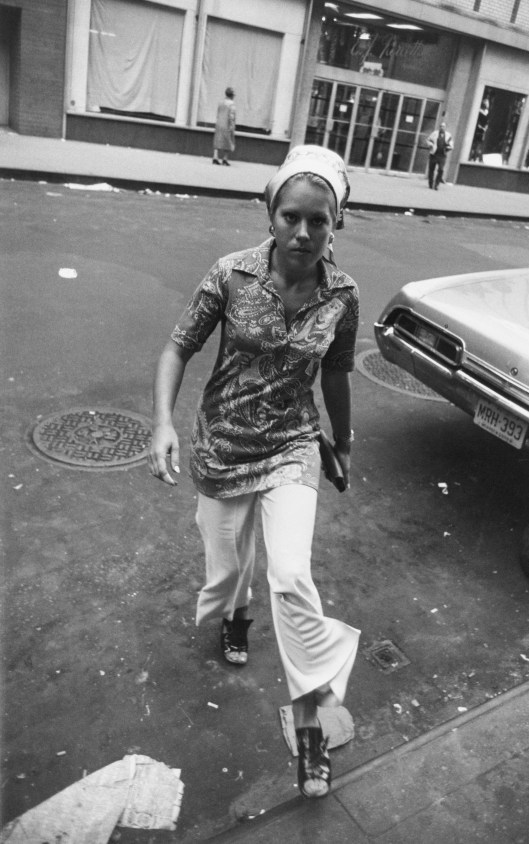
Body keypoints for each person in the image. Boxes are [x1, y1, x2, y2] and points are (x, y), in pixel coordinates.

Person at [149, 144, 361, 799]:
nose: (303, 232)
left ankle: (311, 733)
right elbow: (177, 347)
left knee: (292, 577)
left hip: (291, 448)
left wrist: (342, 443)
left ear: (335, 224)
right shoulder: (230, 275)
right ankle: (236, 614)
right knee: (228, 569)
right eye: (290, 216)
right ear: (269, 214)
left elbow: (334, 372)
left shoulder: (342, 294)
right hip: (221, 448)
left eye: (317, 221)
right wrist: (161, 421)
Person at [426, 121, 454, 189]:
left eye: (443, 126)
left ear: (445, 128)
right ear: (439, 127)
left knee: (441, 170)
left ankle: (436, 184)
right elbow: (428, 140)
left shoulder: (448, 135)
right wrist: (431, 145)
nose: (442, 127)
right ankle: (430, 183)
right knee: (431, 169)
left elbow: (451, 145)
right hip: (434, 155)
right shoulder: (435, 133)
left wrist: (447, 148)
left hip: (442, 156)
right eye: (441, 126)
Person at [213, 87, 236, 166]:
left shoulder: (220, 102)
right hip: (227, 124)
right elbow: (231, 116)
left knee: (218, 139)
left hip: (219, 123)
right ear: (232, 95)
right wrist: (232, 126)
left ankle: (215, 157)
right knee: (228, 141)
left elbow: (218, 113)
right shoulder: (232, 104)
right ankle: (225, 158)